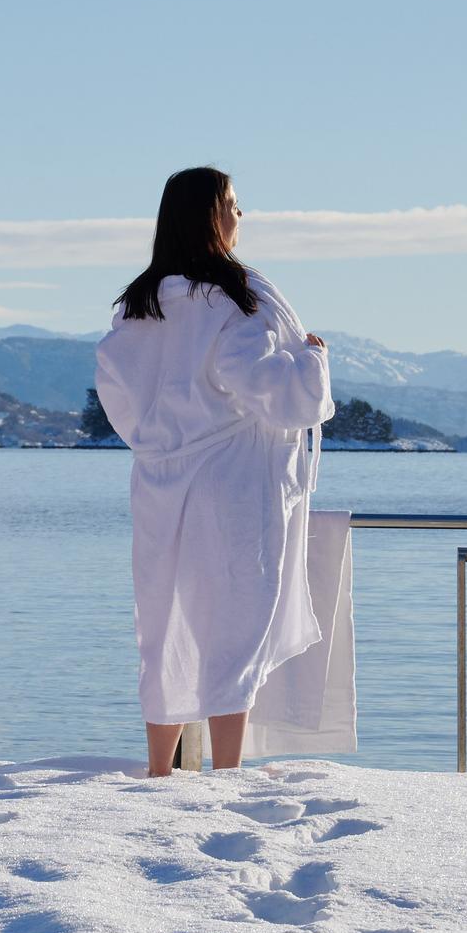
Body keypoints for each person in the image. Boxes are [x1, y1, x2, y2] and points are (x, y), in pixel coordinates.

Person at [92, 165, 332, 775]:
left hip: (160, 478)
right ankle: (226, 769)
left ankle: (159, 767)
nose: (239, 215)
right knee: (235, 616)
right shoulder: (235, 298)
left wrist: (157, 439)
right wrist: (310, 360)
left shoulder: (139, 304)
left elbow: (115, 388)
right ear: (208, 214)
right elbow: (260, 383)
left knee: (164, 613)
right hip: (232, 480)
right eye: (232, 204)